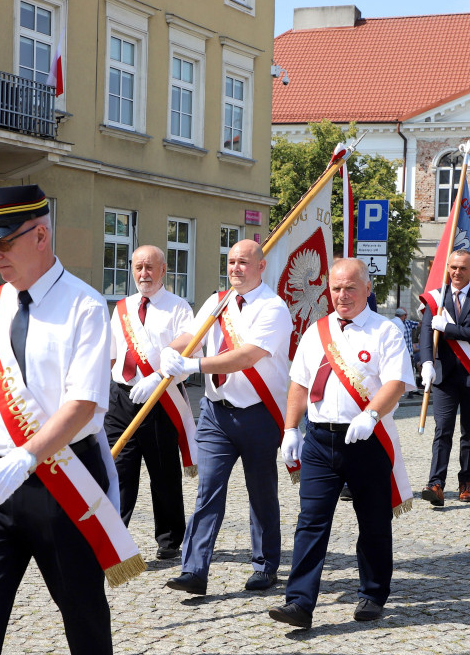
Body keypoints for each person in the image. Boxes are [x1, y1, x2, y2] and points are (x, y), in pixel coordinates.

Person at [0, 185, 143, 655]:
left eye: (3, 243)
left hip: (62, 477)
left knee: (83, 615)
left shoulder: (85, 306)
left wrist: (25, 458)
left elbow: (83, 404)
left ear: (40, 235)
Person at [268, 259, 415, 630]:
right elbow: (299, 385)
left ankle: (373, 592)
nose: (342, 295)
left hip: (366, 440)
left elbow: (395, 382)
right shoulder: (316, 332)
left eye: (350, 288)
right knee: (311, 521)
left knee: (374, 522)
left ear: (367, 289)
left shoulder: (385, 331)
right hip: (319, 440)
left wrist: (371, 416)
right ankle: (299, 602)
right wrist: (290, 429)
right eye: (335, 288)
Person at [160, 239, 291, 596]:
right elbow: (192, 336)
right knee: (207, 492)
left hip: (259, 415)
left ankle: (265, 567)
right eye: (231, 261)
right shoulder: (218, 301)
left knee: (261, 494)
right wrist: (167, 355)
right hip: (216, 414)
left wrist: (194, 365)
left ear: (261, 267)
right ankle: (194, 570)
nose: (235, 268)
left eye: (243, 262)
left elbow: (247, 355)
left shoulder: (274, 308)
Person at [105, 244, 195, 560]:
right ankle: (112, 540)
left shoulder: (179, 307)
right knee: (118, 471)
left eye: (150, 267)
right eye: (138, 267)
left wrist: (157, 375)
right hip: (122, 398)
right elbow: (113, 354)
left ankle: (169, 540)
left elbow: (189, 352)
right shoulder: (122, 308)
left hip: (160, 399)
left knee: (163, 473)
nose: (144, 274)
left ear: (163, 270)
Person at [420, 249, 470, 506]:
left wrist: (448, 328)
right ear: (447, 268)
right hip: (444, 375)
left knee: (469, 431)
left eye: (462, 268)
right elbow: (426, 334)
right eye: (453, 267)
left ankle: (465, 480)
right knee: (442, 429)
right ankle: (436, 483)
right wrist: (426, 362)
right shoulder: (436, 298)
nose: (457, 273)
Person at [392, 307, 419, 396]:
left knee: (410, 370)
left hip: (407, 351)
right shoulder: (397, 323)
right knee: (404, 370)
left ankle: (412, 390)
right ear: (403, 316)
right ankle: (406, 390)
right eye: (405, 315)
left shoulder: (407, 323)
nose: (406, 316)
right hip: (402, 351)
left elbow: (418, 324)